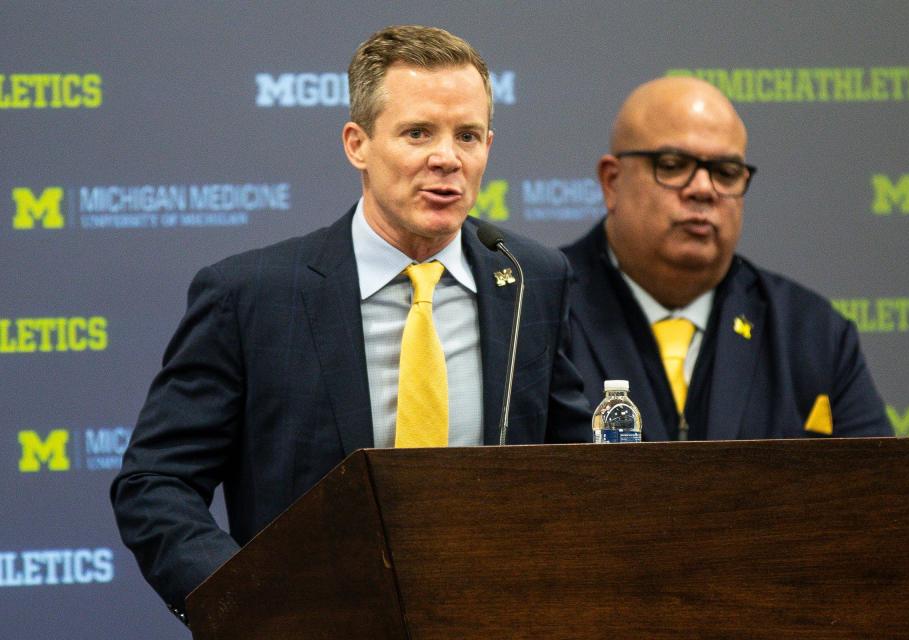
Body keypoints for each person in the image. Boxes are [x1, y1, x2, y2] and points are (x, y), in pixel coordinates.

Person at [111, 25, 591, 624]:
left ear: (489, 145)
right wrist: (248, 605)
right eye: (418, 132)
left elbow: (585, 471)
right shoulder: (250, 295)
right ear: (357, 143)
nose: (447, 157)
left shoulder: (531, 279)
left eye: (467, 135)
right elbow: (156, 483)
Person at [562, 76, 891, 441]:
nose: (703, 189)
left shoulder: (811, 333)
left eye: (726, 173)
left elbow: (882, 490)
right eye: (672, 165)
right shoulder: (538, 314)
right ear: (612, 182)